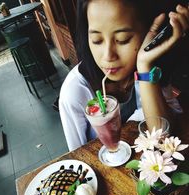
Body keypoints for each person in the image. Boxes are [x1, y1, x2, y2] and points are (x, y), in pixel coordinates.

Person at [59, 0, 189, 151]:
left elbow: (162, 137)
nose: (108, 56)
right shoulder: (74, 93)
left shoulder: (150, 68)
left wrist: (144, 66)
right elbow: (78, 156)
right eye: (97, 40)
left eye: (122, 40)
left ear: (147, 32)